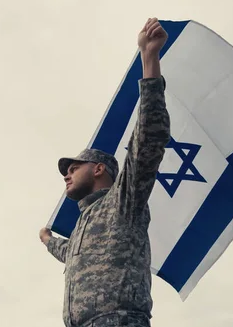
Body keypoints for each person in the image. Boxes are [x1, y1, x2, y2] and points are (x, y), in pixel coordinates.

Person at [39, 18, 171, 327]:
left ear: (99, 169)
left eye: (74, 168)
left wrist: (149, 59)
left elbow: (148, 141)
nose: (66, 175)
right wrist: (47, 240)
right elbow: (67, 251)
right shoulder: (83, 226)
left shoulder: (122, 202)